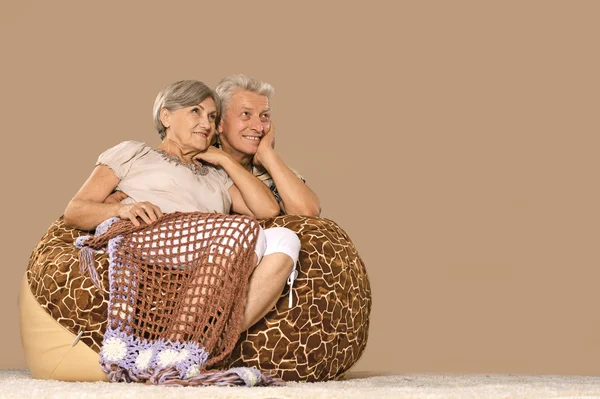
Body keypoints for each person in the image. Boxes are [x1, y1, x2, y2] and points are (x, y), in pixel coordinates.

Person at [22, 80, 301, 381]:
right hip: (150, 236)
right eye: (195, 111)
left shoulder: (215, 174)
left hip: (209, 249)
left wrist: (222, 159)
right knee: (243, 231)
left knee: (285, 239)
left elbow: (268, 211)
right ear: (166, 117)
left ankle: (201, 343)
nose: (205, 123)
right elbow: (75, 210)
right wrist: (121, 209)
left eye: (211, 116)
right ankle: (181, 343)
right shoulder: (133, 153)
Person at [108, 74, 321, 216]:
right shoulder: (196, 160)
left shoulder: (272, 172)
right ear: (220, 123)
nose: (258, 126)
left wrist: (268, 155)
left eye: (265, 116)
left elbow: (308, 214)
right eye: (245, 114)